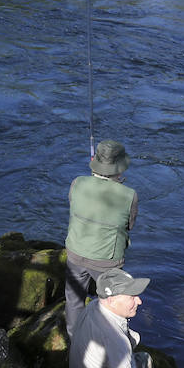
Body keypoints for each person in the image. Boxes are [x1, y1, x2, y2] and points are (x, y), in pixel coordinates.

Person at [64, 138, 138, 331]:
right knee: (113, 303)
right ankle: (112, 340)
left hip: (75, 252)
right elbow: (129, 225)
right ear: (120, 169)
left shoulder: (77, 183)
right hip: (106, 260)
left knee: (73, 300)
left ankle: (76, 342)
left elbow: (74, 207)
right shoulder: (129, 195)